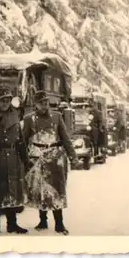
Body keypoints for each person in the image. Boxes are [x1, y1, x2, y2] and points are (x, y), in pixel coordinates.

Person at [22, 90, 78, 235]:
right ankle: (43, 220)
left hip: (55, 157)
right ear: (35, 104)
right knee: (40, 189)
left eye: (46, 102)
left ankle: (59, 223)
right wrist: (23, 158)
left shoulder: (57, 117)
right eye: (41, 103)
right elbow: (23, 140)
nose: (44, 105)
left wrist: (73, 156)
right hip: (37, 157)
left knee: (56, 190)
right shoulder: (29, 119)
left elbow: (65, 138)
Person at [0, 86, 29, 235]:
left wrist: (25, 158)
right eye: (2, 100)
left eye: (7, 100)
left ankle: (12, 224)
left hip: (13, 156)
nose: (5, 103)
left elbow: (20, 138)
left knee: (12, 190)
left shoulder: (16, 114)